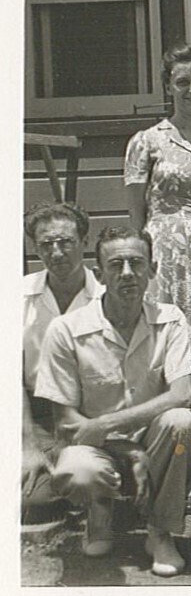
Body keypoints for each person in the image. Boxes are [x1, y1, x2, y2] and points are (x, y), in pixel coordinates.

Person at [35, 227, 191, 577]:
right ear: (99, 273)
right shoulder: (66, 330)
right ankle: (99, 509)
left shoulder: (170, 321)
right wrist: (128, 451)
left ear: (152, 269)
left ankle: (160, 532)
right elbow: (66, 422)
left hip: (146, 439)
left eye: (136, 264)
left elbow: (182, 394)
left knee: (181, 422)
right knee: (77, 471)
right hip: (95, 447)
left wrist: (108, 425)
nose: (127, 273)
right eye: (116, 264)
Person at [125, 43, 191, 329]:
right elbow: (137, 216)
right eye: (183, 82)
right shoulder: (147, 141)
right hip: (163, 251)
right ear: (168, 86)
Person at [22, 203, 105, 523]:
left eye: (66, 241)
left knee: (75, 482)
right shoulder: (16, 295)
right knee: (34, 498)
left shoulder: (105, 298)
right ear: (34, 247)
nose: (56, 252)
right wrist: (27, 445)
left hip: (89, 414)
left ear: (84, 241)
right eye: (46, 244)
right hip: (35, 414)